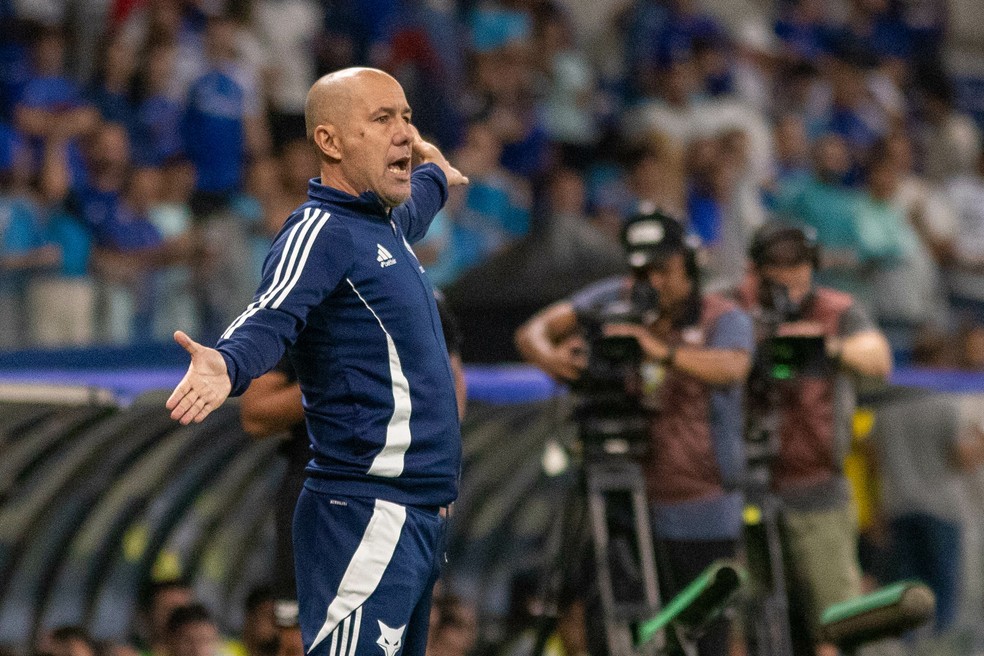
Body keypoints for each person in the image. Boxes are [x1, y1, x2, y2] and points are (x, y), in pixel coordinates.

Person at [166, 67, 469, 656]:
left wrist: (437, 174)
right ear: (329, 142)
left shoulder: (381, 225)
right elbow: (271, 314)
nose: (403, 131)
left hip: (416, 518)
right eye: (382, 119)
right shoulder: (320, 229)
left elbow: (419, 202)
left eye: (407, 117)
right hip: (365, 511)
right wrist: (226, 365)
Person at [514, 209, 753, 656]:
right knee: (614, 627)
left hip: (701, 506)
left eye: (663, 269)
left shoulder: (725, 317)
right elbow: (532, 332)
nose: (652, 282)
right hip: (621, 499)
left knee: (701, 637)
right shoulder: (618, 299)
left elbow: (733, 368)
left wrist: (660, 352)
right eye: (641, 269)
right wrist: (552, 359)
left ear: (690, 266)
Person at [238, 291, 467, 656]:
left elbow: (450, 398)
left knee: (399, 635)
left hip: (403, 495)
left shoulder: (422, 295)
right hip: (319, 493)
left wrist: (436, 477)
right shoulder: (302, 296)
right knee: (300, 641)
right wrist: (340, 381)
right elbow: (256, 412)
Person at [731, 220, 892, 656]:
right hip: (742, 483)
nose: (790, 274)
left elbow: (878, 358)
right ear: (756, 269)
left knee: (837, 624)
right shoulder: (733, 309)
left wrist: (825, 348)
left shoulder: (836, 310)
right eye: (777, 265)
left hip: (816, 483)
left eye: (799, 263)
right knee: (739, 622)